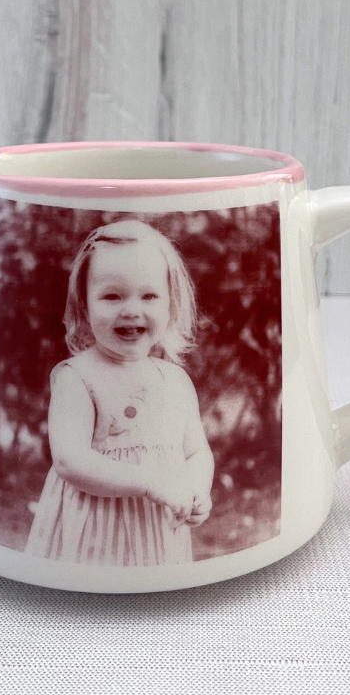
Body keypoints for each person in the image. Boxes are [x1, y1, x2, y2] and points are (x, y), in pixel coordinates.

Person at [25, 219, 214, 565]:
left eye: (149, 296)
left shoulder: (175, 381)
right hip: (94, 531)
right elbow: (69, 459)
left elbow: (196, 452)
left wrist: (196, 488)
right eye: (112, 296)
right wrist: (148, 482)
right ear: (85, 305)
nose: (131, 310)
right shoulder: (78, 378)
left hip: (156, 532)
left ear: (170, 304)